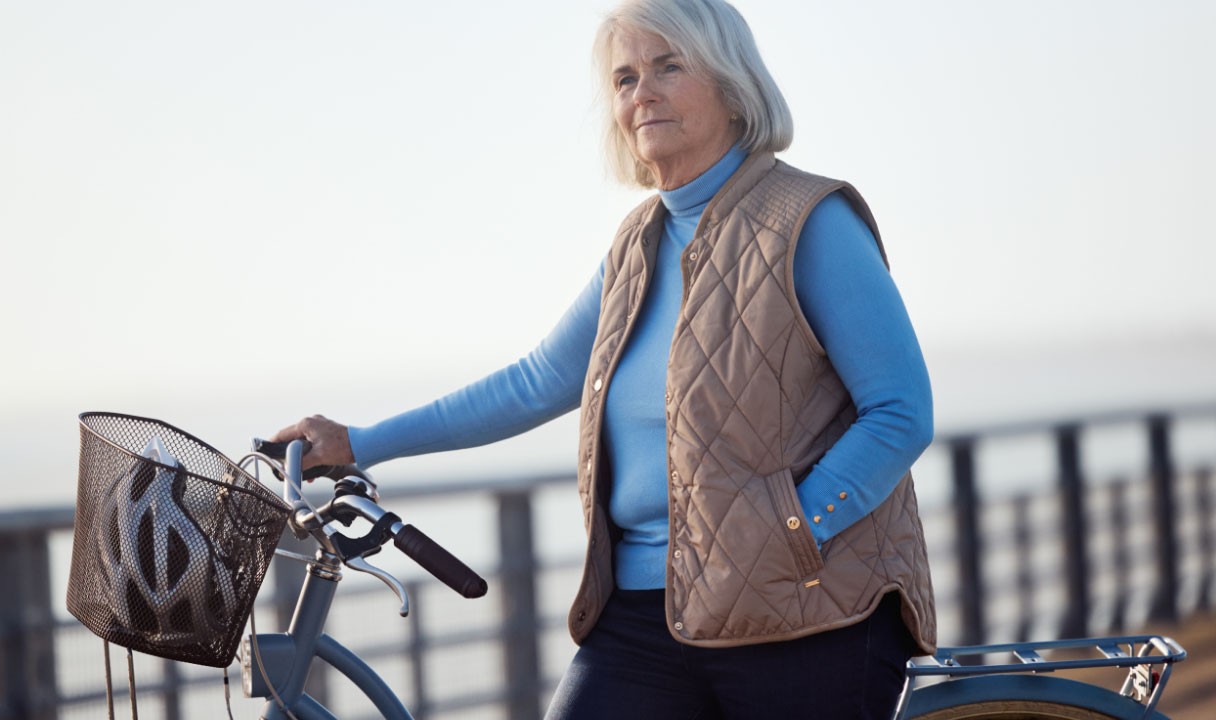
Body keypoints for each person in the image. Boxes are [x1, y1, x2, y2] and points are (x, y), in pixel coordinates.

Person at [273, 0, 936, 716]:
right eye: (623, 78)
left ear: (731, 81)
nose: (641, 92)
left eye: (667, 67)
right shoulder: (638, 243)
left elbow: (900, 412)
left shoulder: (807, 220)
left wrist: (795, 531)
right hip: (642, 614)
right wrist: (362, 444)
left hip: (805, 615)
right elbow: (538, 381)